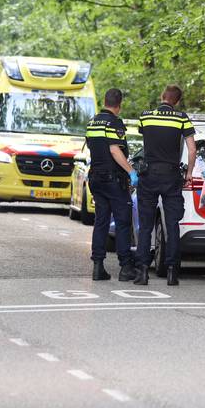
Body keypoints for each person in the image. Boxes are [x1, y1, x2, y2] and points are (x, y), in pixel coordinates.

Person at [134, 85, 196, 286]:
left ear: (162, 96)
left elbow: (144, 136)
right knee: (172, 225)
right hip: (171, 176)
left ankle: (142, 271)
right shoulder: (181, 118)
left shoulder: (145, 116)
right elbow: (192, 149)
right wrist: (188, 174)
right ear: (177, 101)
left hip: (149, 175)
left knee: (145, 226)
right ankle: (172, 272)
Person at [84, 88, 139, 281]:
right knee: (123, 222)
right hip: (113, 180)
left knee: (101, 221)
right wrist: (131, 171)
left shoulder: (92, 122)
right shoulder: (114, 122)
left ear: (105, 101)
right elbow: (115, 150)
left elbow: (93, 147)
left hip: (96, 179)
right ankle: (125, 267)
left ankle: (98, 266)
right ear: (119, 104)